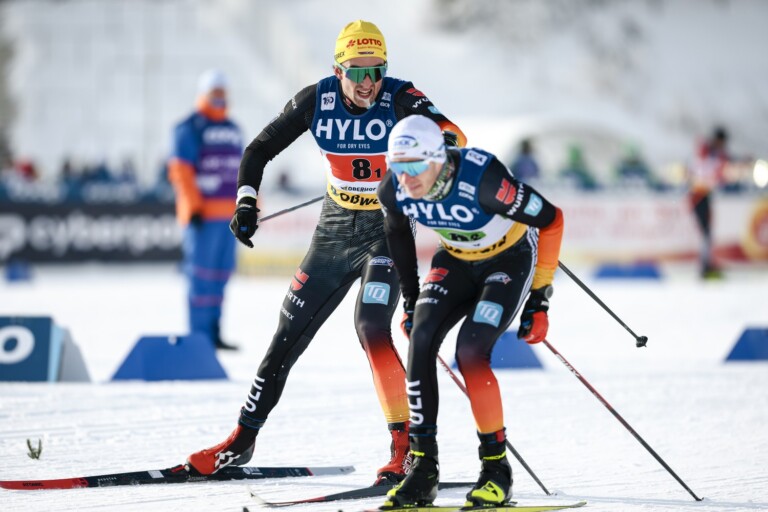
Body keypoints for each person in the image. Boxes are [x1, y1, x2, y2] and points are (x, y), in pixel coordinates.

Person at [185, 20, 466, 485]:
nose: (368, 83)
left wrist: (442, 152)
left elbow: (451, 132)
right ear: (338, 71)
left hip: (386, 230)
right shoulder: (316, 100)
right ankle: (242, 438)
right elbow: (257, 150)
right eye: (357, 72)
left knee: (371, 327)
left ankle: (406, 449)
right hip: (333, 232)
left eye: (376, 71)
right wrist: (246, 201)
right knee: (286, 335)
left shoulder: (400, 97)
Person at [376, 115, 564, 508]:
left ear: (437, 159)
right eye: (397, 166)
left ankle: (496, 471)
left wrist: (540, 300)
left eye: (414, 166)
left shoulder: (484, 179)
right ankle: (423, 469)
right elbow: (399, 237)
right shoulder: (394, 188)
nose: (405, 178)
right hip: (456, 260)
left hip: (507, 261)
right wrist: (411, 300)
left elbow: (551, 219)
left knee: (471, 352)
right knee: (420, 339)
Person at [168, 69, 244, 350]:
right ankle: (199, 337)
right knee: (200, 278)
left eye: (223, 92)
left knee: (221, 278)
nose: (220, 97)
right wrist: (193, 207)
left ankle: (214, 333)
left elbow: (244, 170)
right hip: (203, 218)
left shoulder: (233, 129)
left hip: (229, 218)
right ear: (204, 94)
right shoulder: (190, 127)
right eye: (215, 92)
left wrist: (250, 208)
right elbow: (181, 172)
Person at [687, 126, 729, 279]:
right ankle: (705, 267)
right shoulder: (708, 152)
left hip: (704, 196)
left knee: (707, 234)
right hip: (698, 196)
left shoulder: (715, 154)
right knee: (706, 234)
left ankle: (707, 264)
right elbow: (703, 170)